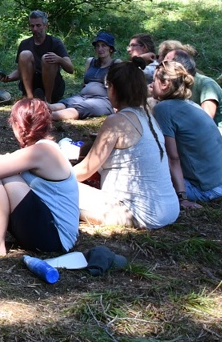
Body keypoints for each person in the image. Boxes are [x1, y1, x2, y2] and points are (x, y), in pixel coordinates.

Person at [0, 98, 79, 258]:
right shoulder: (38, 149)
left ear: (19, 126)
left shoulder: (43, 151)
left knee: (0, 174)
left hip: (55, 238)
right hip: (46, 230)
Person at [71, 61, 178, 229]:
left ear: (113, 88)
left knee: (53, 187)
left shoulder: (117, 121)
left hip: (137, 212)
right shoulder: (150, 118)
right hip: (169, 209)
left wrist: (54, 175)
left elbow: (86, 170)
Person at [152, 60, 222, 208]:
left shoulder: (163, 109)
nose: (151, 85)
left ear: (165, 84)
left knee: (143, 181)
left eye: (154, 81)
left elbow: (172, 157)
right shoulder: (191, 104)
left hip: (206, 189)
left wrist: (182, 198)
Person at [160, 45, 222, 154]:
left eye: (166, 64)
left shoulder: (206, 84)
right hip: (197, 134)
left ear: (179, 68)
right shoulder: (178, 86)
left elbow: (205, 120)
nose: (162, 68)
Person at [0, 10, 74, 102]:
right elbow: (21, 71)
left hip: (52, 86)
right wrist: (8, 78)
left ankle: (48, 101)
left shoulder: (55, 43)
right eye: (32, 26)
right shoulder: (24, 44)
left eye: (38, 25)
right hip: (32, 84)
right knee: (25, 54)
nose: (35, 29)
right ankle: (29, 98)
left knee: (47, 58)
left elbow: (70, 69)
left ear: (46, 25)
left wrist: (59, 59)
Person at [48, 31, 117, 121]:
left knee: (79, 108)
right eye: (97, 46)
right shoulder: (90, 61)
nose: (100, 49)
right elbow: (84, 83)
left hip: (102, 100)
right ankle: (38, 110)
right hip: (82, 96)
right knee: (64, 103)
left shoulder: (116, 64)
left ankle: (45, 117)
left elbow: (120, 87)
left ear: (110, 49)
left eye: (103, 46)